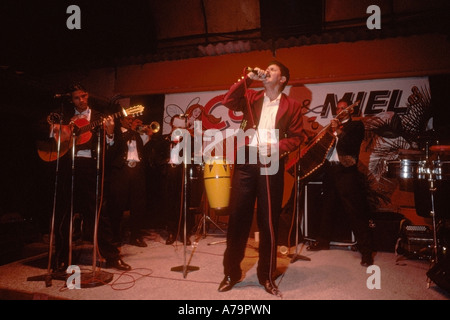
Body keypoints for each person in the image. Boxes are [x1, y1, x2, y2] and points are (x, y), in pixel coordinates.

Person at [218, 61, 305, 296]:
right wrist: (248, 78)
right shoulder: (251, 96)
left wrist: (277, 146)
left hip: (271, 163)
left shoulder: (293, 105)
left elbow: (297, 137)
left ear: (283, 79)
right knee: (237, 217)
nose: (267, 71)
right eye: (266, 69)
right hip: (246, 160)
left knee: (268, 221)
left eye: (273, 70)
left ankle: (266, 275)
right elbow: (227, 100)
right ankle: (231, 273)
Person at [45, 83, 131, 272]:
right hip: (69, 168)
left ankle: (111, 257)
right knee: (64, 215)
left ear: (88, 95)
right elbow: (43, 130)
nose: (81, 100)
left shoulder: (100, 117)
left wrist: (109, 133)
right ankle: (61, 257)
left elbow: (115, 148)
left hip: (91, 168)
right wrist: (58, 130)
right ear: (71, 100)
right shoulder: (64, 116)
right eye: (77, 98)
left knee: (100, 214)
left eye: (84, 96)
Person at [306, 98, 374, 267]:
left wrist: (337, 131)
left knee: (354, 210)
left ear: (350, 110)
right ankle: (323, 240)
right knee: (326, 207)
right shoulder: (331, 127)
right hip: (330, 170)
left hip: (346, 171)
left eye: (344, 108)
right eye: (338, 108)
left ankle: (366, 252)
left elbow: (350, 145)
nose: (341, 110)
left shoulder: (355, 126)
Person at [106, 115, 153, 248]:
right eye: (128, 119)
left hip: (137, 170)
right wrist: (131, 131)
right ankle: (115, 236)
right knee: (117, 204)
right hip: (121, 171)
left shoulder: (136, 134)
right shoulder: (115, 132)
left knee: (138, 205)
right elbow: (114, 149)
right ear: (121, 121)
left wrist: (148, 136)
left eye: (132, 120)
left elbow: (144, 151)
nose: (131, 121)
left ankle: (135, 236)